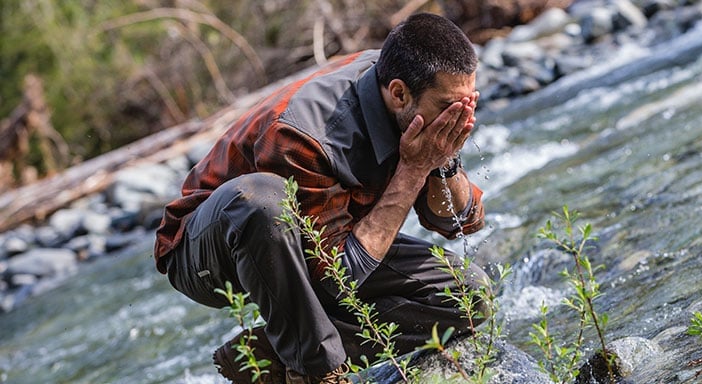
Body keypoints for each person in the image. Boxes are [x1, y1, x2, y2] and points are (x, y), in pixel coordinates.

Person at [153, 12, 489, 384]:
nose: (461, 120)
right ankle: (315, 373)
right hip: (206, 248)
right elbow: (336, 277)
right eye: (449, 108)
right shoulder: (303, 135)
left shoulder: (413, 96)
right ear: (398, 94)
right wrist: (412, 171)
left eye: (468, 105)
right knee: (263, 199)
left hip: (323, 233)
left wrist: (442, 160)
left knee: (467, 297)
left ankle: (263, 357)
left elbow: (459, 221)